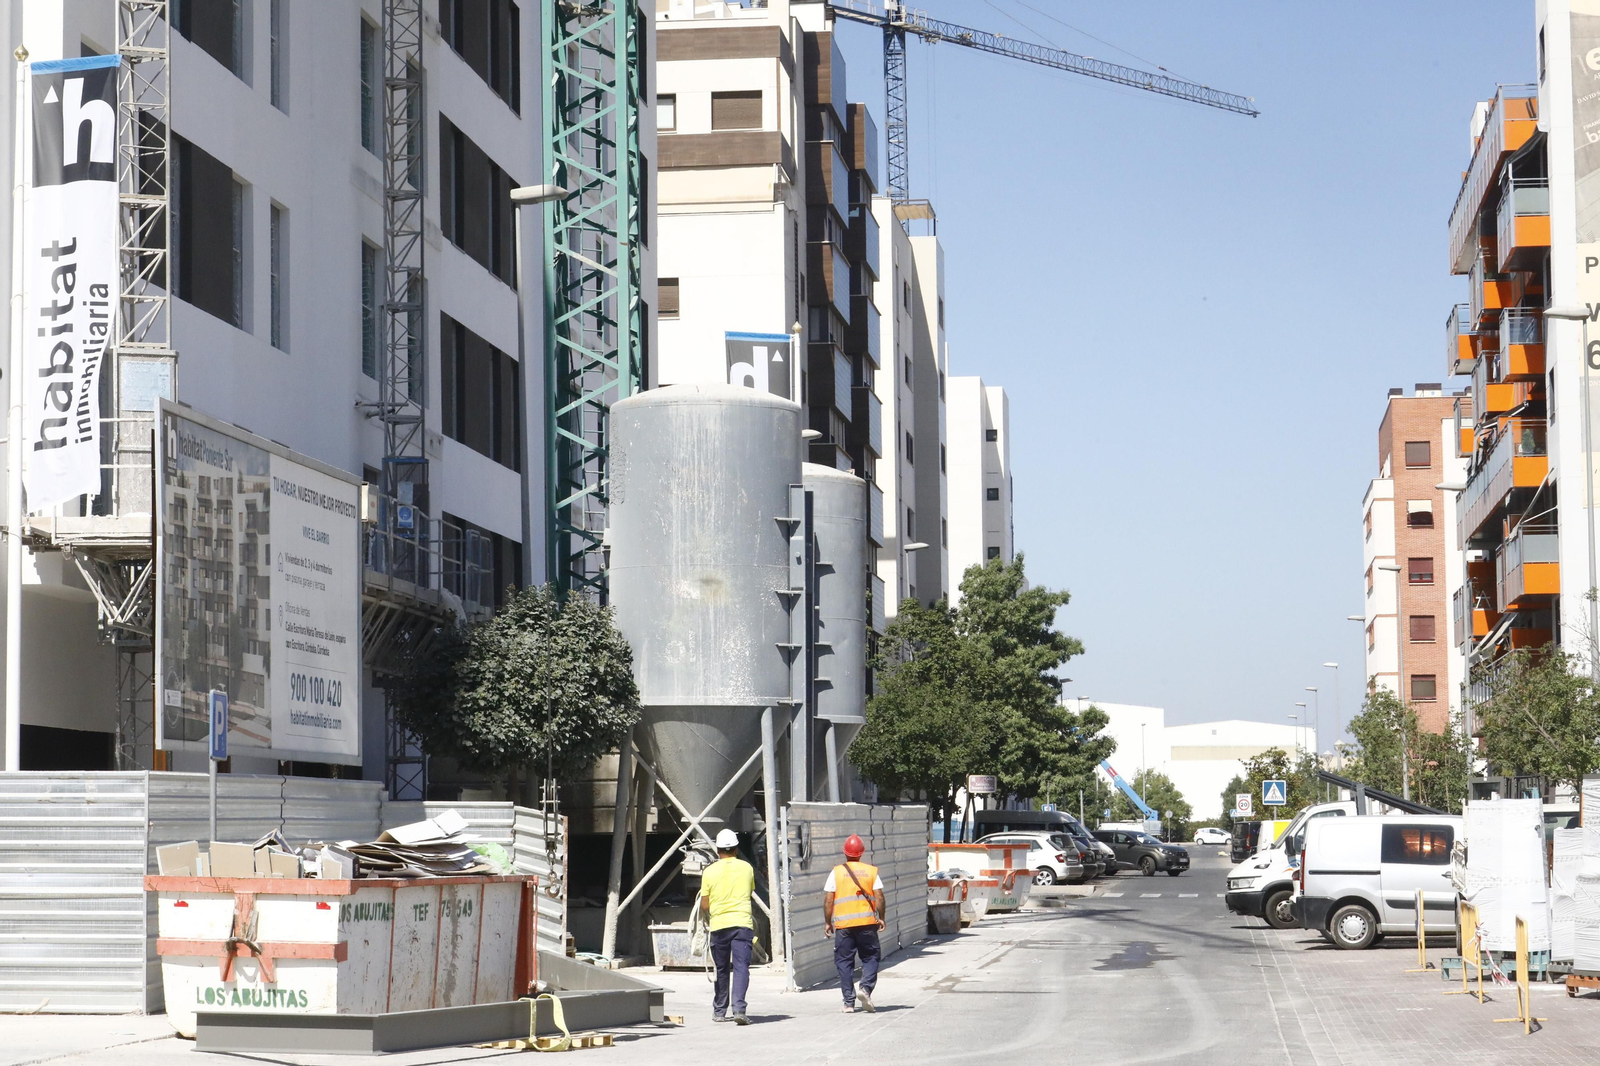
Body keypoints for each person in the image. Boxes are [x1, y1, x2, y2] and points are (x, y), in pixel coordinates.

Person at [822, 833, 885, 1013]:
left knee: (844, 962)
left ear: (845, 852)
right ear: (861, 853)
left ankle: (848, 1003)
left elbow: (828, 900)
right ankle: (865, 988)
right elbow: (879, 897)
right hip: (867, 923)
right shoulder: (871, 871)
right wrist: (882, 917)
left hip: (844, 926)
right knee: (871, 957)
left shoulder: (836, 872)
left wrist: (828, 922)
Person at [699, 827, 755, 1025]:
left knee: (722, 968)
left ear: (717, 850)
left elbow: (704, 904)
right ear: (736, 849)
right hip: (742, 924)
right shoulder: (747, 868)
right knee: (741, 968)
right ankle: (739, 1009)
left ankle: (720, 1011)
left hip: (719, 925)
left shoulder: (709, 871)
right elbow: (748, 892)